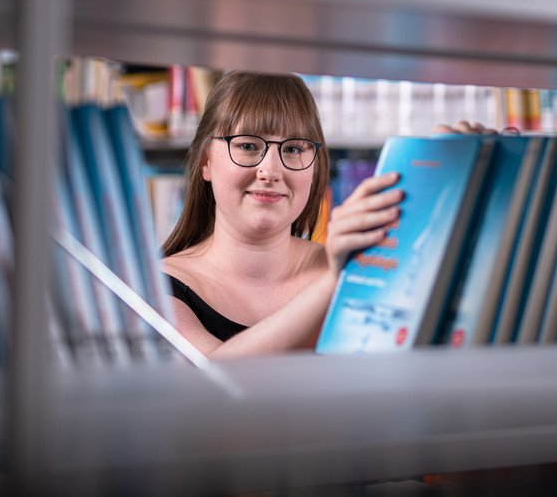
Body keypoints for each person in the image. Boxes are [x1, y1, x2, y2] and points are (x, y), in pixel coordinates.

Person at [159, 71, 403, 358]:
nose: (271, 171)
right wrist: (333, 282)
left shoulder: (359, 272)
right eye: (248, 146)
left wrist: (463, 163)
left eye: (293, 149)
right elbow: (213, 377)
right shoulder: (154, 288)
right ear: (205, 162)